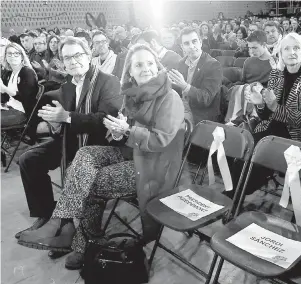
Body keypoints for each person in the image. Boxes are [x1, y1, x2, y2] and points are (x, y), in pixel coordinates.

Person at [17, 44, 186, 270]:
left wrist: (127, 131)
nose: (145, 68)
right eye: (138, 65)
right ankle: (61, 221)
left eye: (149, 63)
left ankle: (82, 240)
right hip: (129, 153)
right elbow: (118, 132)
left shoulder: (170, 96)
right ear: (130, 72)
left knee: (88, 180)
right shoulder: (131, 95)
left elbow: (161, 141)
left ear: (158, 66)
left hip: (153, 164)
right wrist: (115, 132)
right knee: (84, 155)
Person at [15, 37, 122, 244]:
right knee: (29, 159)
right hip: (70, 140)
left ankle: (67, 226)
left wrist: (65, 117)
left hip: (97, 145)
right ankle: (47, 215)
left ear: (89, 55)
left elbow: (105, 120)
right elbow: (62, 125)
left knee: (74, 162)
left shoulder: (109, 81)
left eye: (77, 55)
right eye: (67, 58)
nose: (72, 61)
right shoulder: (67, 86)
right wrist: (54, 125)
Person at [246, 32, 301, 144]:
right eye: (286, 49)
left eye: (296, 48)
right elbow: (265, 117)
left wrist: (275, 107)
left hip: (295, 136)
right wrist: (260, 104)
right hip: (268, 130)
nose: (291, 52)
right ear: (281, 54)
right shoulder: (275, 74)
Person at [169, 27, 222, 124]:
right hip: (181, 106)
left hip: (200, 113)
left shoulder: (213, 65)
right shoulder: (181, 63)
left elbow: (206, 99)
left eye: (194, 41)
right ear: (182, 47)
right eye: (186, 43)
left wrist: (185, 86)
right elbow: (178, 89)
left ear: (200, 42)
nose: (191, 46)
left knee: (170, 125)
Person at [1, 42, 39, 135]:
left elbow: (27, 99)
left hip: (22, 112)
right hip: (9, 108)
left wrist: (5, 89)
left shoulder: (27, 72)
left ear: (22, 56)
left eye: (16, 53)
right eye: (9, 53)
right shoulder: (8, 73)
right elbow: (5, 97)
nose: (12, 56)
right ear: (5, 57)